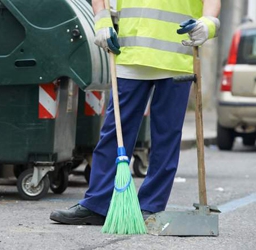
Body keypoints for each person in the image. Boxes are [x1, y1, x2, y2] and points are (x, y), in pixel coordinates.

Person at [50, 0, 221, 225]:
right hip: (131, 55)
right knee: (114, 132)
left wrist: (208, 23)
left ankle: (150, 207)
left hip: (176, 57)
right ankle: (97, 205)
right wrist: (101, 21)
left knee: (166, 137)